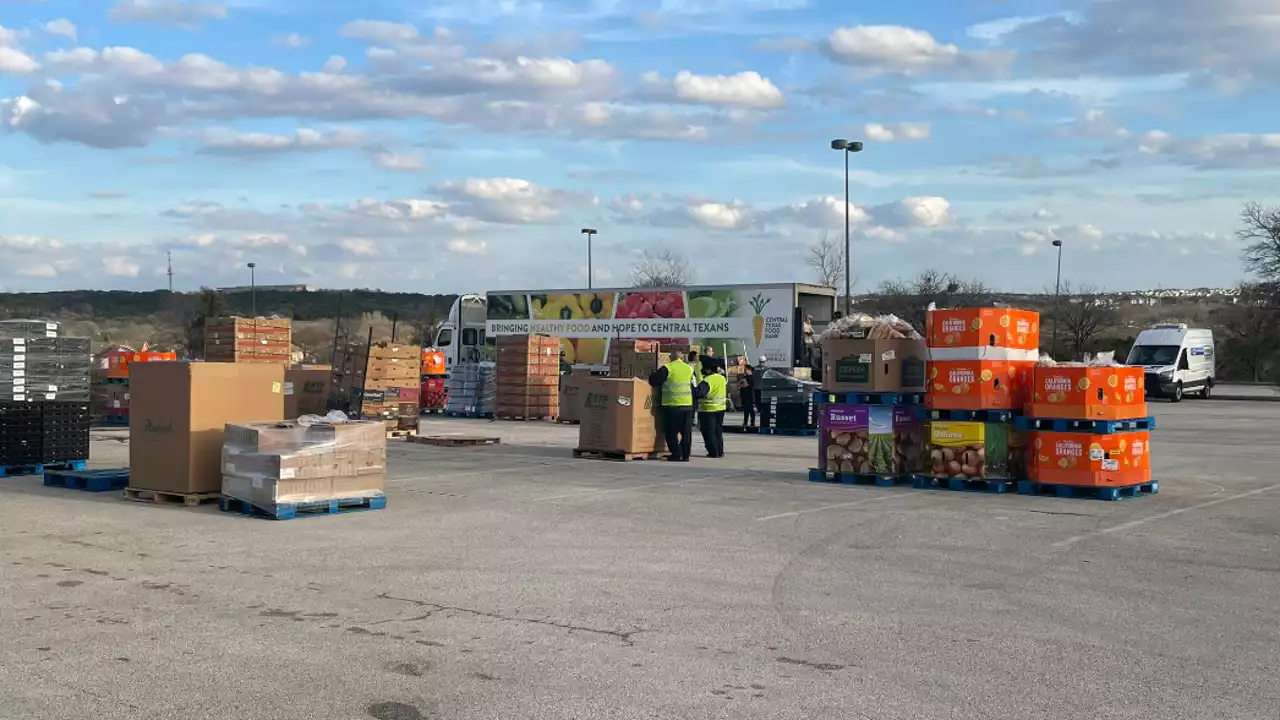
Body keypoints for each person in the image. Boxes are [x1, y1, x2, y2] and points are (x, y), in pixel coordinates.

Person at [648, 354, 698, 462]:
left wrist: (653, 372)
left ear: (671, 357)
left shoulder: (668, 368)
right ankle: (685, 455)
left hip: (673, 405)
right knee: (686, 432)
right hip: (688, 405)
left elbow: (653, 381)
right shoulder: (689, 368)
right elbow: (693, 384)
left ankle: (676, 454)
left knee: (671, 432)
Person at [696, 364, 727, 458]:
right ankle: (720, 451)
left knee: (708, 432)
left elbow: (700, 393)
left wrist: (692, 389)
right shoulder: (722, 379)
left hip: (708, 409)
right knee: (718, 431)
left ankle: (713, 452)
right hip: (720, 409)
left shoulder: (707, 381)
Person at [738, 361, 756, 429]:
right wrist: (742, 383)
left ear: (749, 370)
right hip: (744, 396)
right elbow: (738, 384)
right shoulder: (744, 377)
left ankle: (752, 423)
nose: (745, 371)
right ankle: (745, 422)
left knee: (750, 410)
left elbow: (746, 385)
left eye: (746, 370)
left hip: (749, 396)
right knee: (746, 410)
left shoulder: (751, 378)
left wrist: (743, 384)